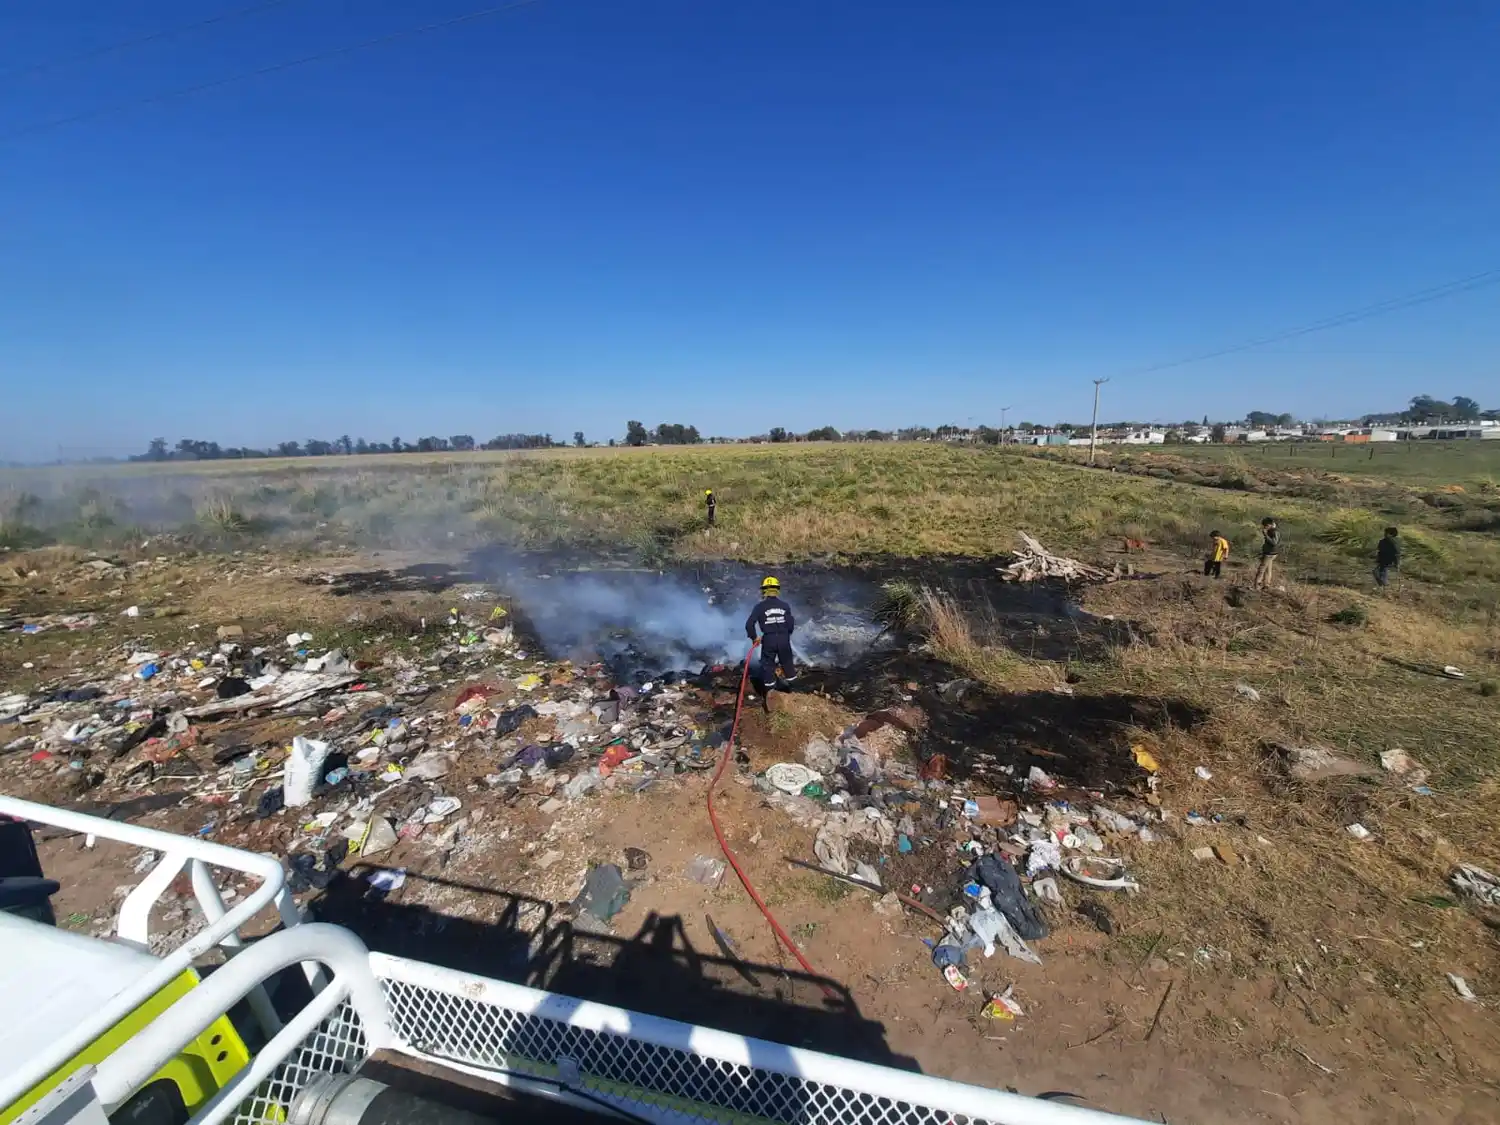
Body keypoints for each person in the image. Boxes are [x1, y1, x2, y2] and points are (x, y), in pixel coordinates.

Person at [745, 575, 796, 690]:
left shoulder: (759, 607)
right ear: (777, 590)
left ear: (764, 591)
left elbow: (749, 625)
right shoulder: (785, 606)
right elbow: (791, 623)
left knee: (768, 666)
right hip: (784, 639)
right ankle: (794, 692)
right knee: (788, 664)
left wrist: (754, 638)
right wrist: (786, 635)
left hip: (769, 639)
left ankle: (770, 694)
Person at [1253, 517, 1279, 589]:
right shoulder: (1272, 530)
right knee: (1268, 569)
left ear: (1269, 525)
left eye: (1265, 526)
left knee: (1261, 569)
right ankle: (1266, 585)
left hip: (1269, 553)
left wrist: (1265, 535)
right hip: (1271, 553)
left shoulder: (1273, 531)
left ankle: (1257, 585)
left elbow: (1274, 542)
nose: (1264, 527)